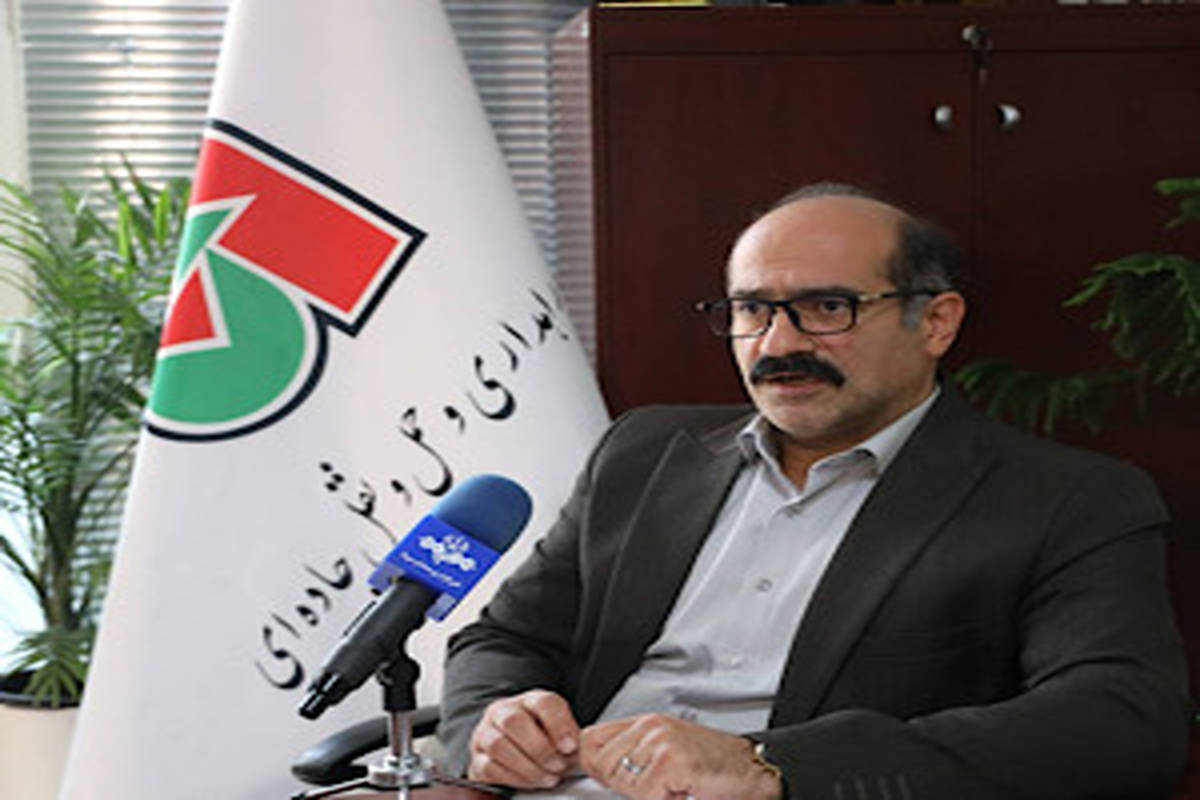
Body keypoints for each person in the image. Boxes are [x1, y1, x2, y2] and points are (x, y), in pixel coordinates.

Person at [438, 183, 1191, 799]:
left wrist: (769, 766)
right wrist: (495, 724)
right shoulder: (644, 452)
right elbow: (505, 640)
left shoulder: (1066, 499)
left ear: (936, 322)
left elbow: (1124, 722)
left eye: (828, 308)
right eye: (751, 309)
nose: (778, 344)